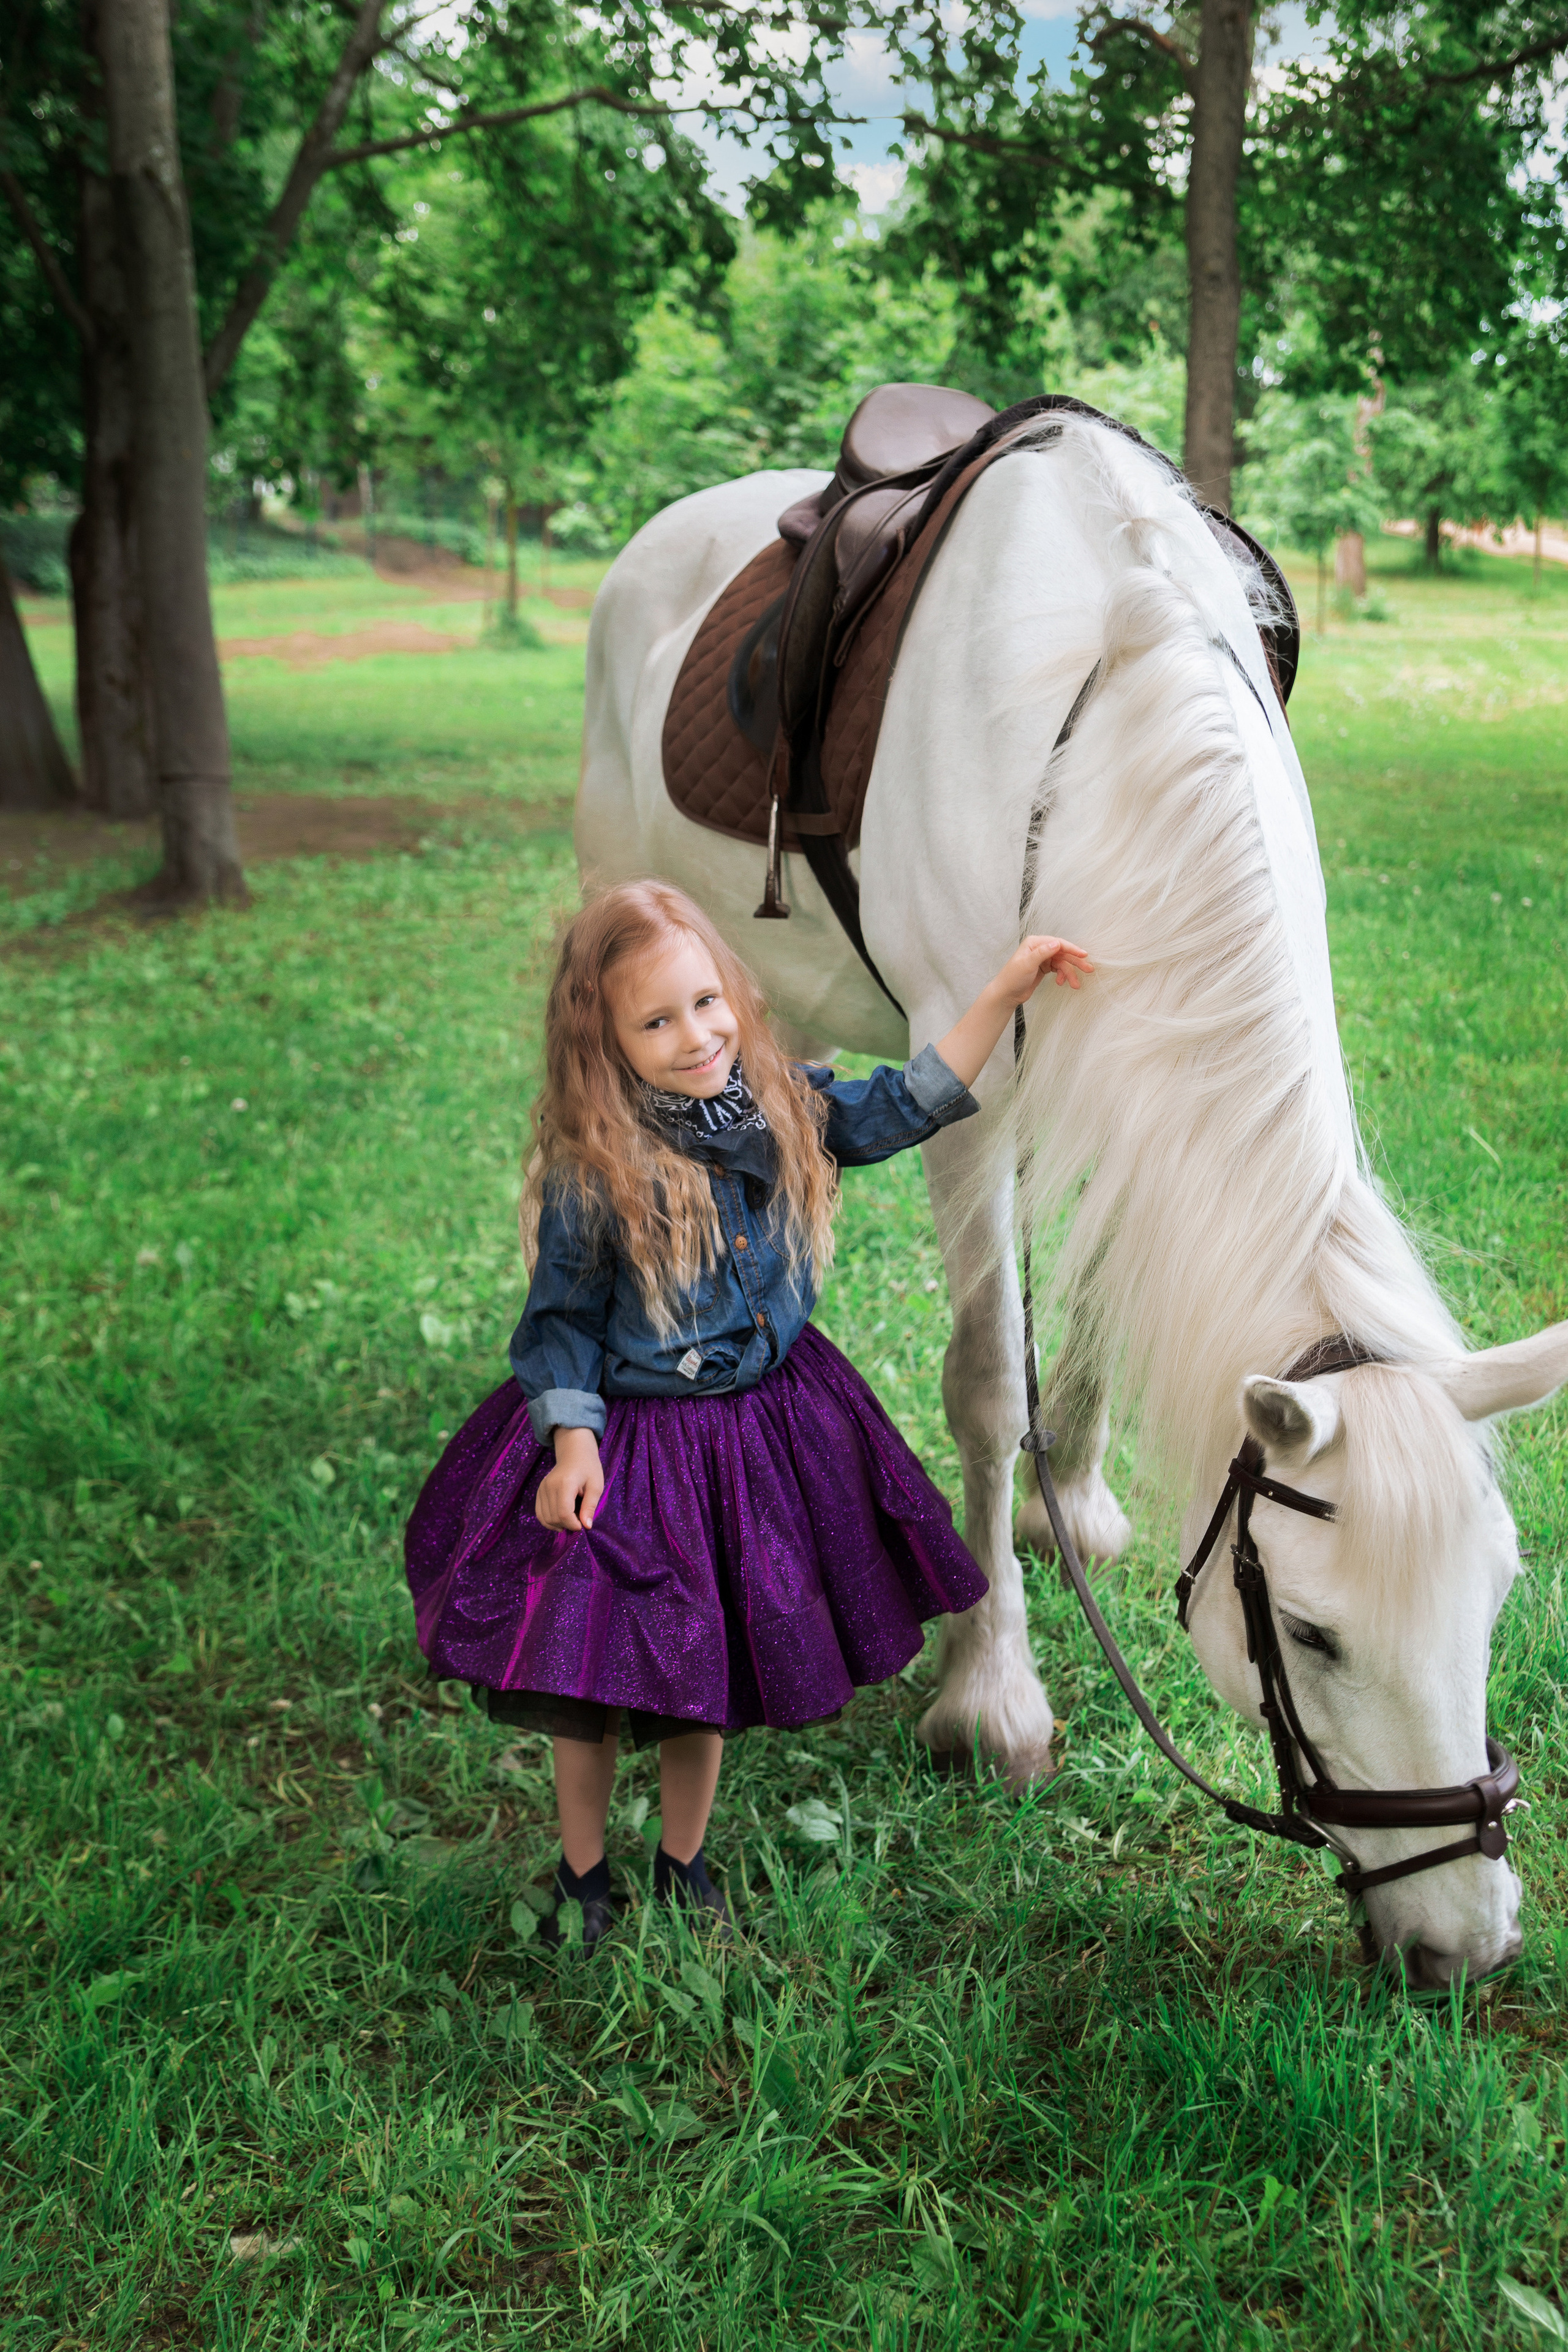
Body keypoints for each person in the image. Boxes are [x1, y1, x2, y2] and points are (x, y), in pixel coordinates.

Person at [404, 881, 1093, 1948]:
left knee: (703, 1669)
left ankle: (685, 1858)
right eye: (657, 1020)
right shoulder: (600, 1167)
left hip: (752, 1441)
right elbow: (560, 1325)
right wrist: (573, 1443)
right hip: (636, 1446)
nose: (696, 1036)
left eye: (706, 1001)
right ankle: (583, 1875)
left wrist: (1004, 987)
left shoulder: (781, 1105)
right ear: (606, 1042)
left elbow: (908, 1101)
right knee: (580, 1672)